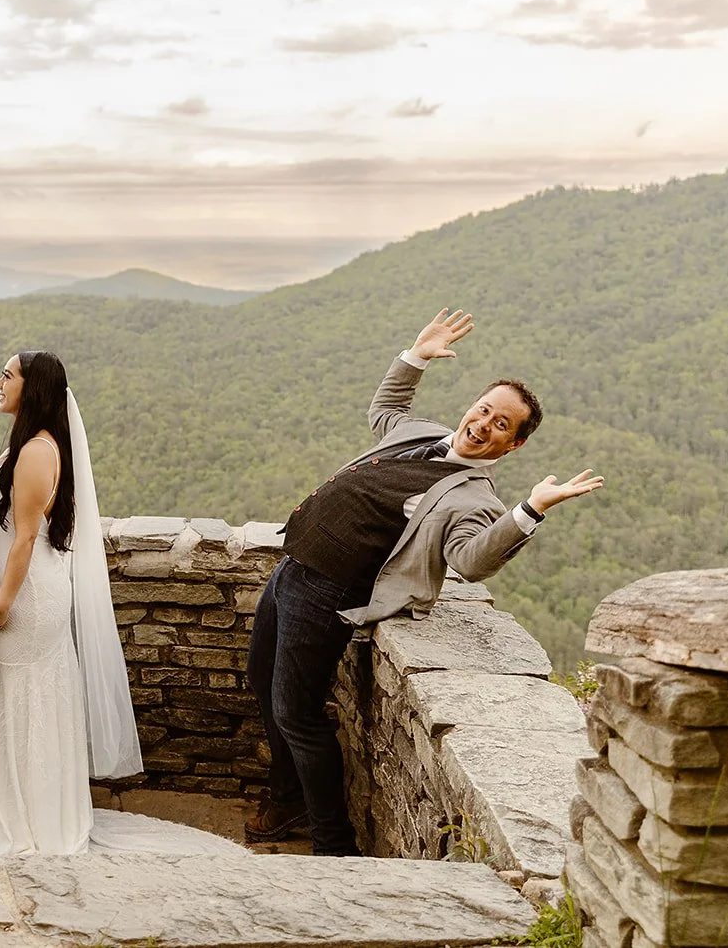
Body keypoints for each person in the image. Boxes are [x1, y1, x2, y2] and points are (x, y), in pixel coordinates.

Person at [244, 309, 604, 856]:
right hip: (292, 567)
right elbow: (386, 410)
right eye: (484, 410)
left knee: (298, 715)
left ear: (513, 445)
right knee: (262, 682)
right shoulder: (422, 435)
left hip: (327, 593)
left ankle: (333, 846)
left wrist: (528, 509)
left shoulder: (472, 498)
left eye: (501, 425)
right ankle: (287, 795)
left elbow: (472, 560)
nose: (483, 425)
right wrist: (415, 356)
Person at [0, 350, 144, 857]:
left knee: (34, 697)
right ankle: (29, 805)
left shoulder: (39, 452)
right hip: (25, 583)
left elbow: (24, 539)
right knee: (26, 697)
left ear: (33, 388)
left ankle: (36, 818)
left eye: (7, 375)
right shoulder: (28, 445)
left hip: (32, 596)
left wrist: (3, 601)